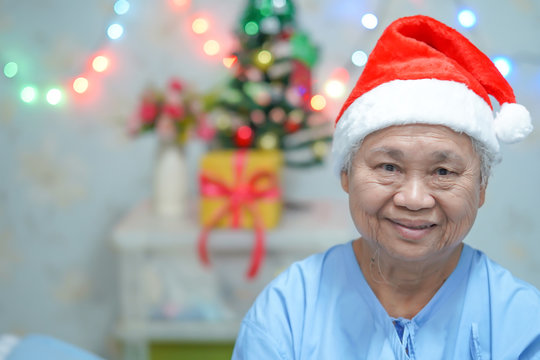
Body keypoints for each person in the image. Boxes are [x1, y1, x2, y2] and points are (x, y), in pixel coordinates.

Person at [231, 15, 540, 359]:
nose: (414, 199)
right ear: (346, 175)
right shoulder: (287, 312)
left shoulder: (523, 324)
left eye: (443, 171)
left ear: (481, 187)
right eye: (389, 167)